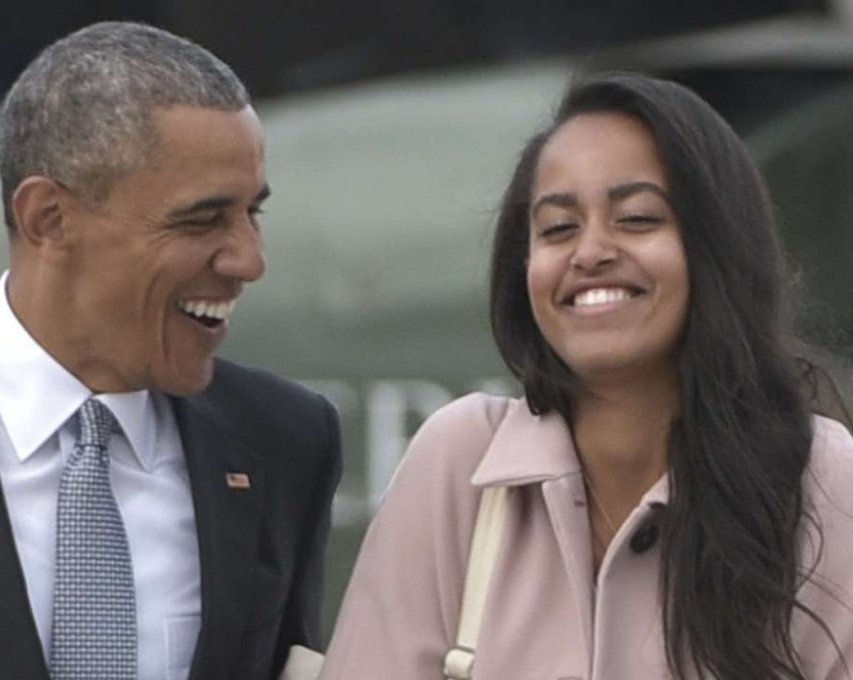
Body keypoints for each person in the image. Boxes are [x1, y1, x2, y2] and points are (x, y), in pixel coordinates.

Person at [0, 21, 341, 680]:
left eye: (254, 213)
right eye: (202, 219)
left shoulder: (284, 439)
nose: (249, 259)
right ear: (49, 218)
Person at [320, 72, 853, 679]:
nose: (590, 251)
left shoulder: (819, 476)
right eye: (557, 228)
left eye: (637, 218)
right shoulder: (459, 458)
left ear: (718, 247)